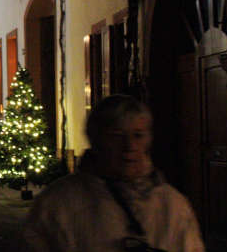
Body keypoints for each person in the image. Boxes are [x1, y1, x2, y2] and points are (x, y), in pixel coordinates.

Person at [23, 94, 205, 252]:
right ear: (96, 140)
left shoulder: (172, 205)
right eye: (117, 136)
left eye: (138, 135)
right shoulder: (57, 205)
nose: (130, 147)